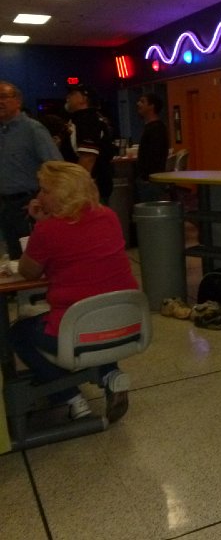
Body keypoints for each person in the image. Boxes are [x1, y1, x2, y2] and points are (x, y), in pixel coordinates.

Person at [9, 161, 138, 422]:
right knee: (95, 315)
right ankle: (109, 374)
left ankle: (69, 397)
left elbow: (29, 272)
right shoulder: (109, 216)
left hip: (78, 329)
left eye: (44, 190)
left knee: (18, 333)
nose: (38, 196)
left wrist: (40, 224)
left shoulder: (48, 231)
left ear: (61, 194)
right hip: (127, 323)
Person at [0, 81, 63, 259]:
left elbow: (56, 167)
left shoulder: (33, 129)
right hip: (7, 207)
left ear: (18, 101)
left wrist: (41, 200)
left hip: (29, 205)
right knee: (14, 257)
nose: (0, 102)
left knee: (34, 258)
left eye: (3, 97)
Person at [64, 84, 115, 203]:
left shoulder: (88, 120)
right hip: (91, 186)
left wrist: (76, 189)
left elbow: (88, 158)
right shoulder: (81, 119)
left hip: (89, 189)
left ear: (84, 99)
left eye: (72, 94)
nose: (67, 97)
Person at [134, 93, 170, 202]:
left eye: (142, 101)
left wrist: (145, 177)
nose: (138, 104)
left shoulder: (156, 129)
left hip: (151, 180)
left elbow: (155, 155)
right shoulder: (153, 127)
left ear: (151, 106)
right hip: (150, 179)